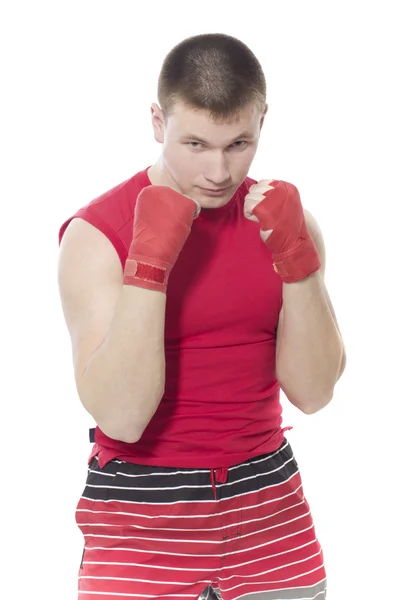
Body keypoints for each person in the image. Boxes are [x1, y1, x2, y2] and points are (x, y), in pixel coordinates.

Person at [57, 32, 346, 600]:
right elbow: (122, 417)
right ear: (158, 123)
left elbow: (314, 393)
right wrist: (149, 262)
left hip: (270, 511)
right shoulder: (97, 235)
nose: (219, 171)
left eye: (238, 143)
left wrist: (297, 261)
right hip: (142, 517)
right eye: (195, 144)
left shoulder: (285, 221)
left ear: (263, 119)